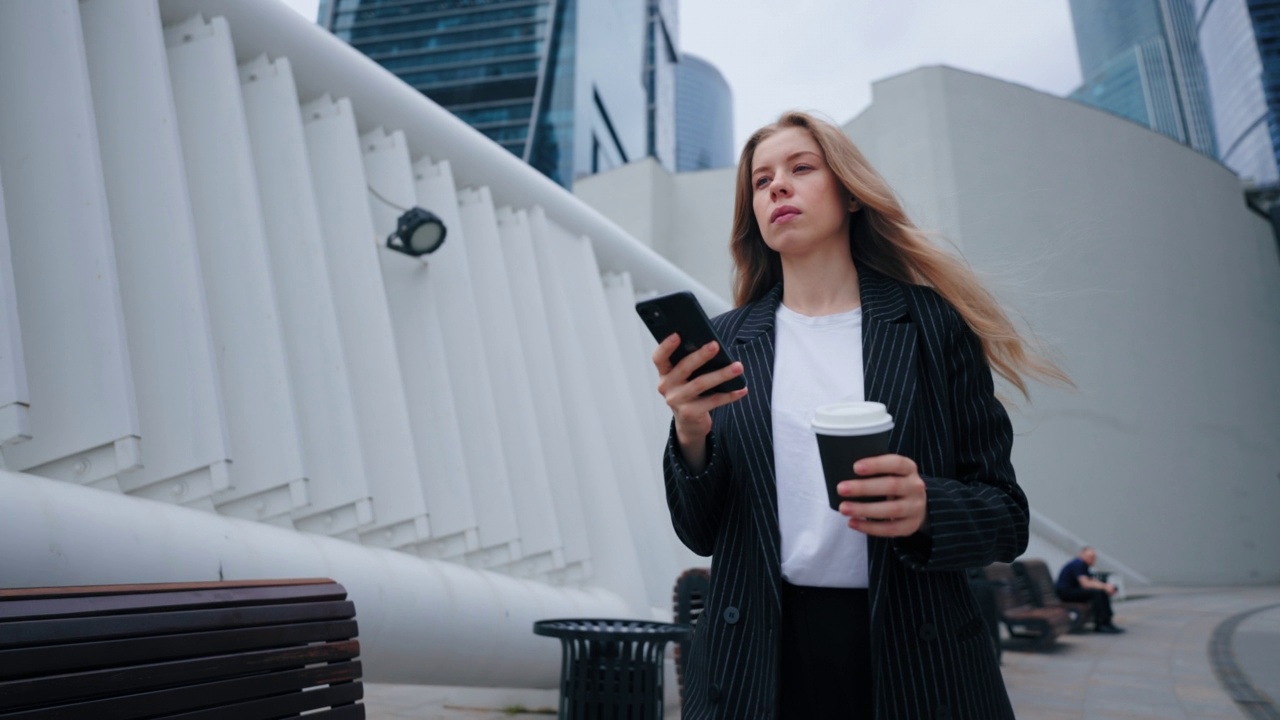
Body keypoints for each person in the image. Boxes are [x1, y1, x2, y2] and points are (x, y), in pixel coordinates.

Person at [653, 111, 1070, 719]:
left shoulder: (932, 325)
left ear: (849, 193)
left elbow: (1007, 516)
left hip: (915, 652)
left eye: (801, 168)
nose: (777, 187)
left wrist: (927, 505)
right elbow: (699, 531)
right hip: (758, 662)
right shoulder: (725, 343)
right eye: (761, 180)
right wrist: (690, 431)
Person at [1056, 546, 1124, 633]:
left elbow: (1091, 580)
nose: (1092, 559)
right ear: (1082, 555)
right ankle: (1101, 624)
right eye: (1090, 556)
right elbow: (1086, 583)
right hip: (1066, 593)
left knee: (1100, 592)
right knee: (1097, 593)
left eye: (1094, 557)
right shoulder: (1078, 564)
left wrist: (1106, 586)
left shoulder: (1083, 565)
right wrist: (1105, 587)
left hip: (1071, 591)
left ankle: (1106, 622)